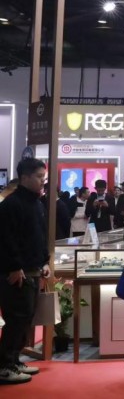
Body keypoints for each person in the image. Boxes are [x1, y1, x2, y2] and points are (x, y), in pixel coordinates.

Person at [0, 158, 51, 384]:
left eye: (43, 177)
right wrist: (13, 266)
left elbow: (39, 237)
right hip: (16, 273)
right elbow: (6, 239)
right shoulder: (11, 205)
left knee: (26, 318)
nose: (43, 181)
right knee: (16, 318)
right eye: (39, 177)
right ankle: (4, 365)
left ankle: (14, 360)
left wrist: (45, 262)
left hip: (33, 270)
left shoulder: (37, 204)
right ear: (25, 177)